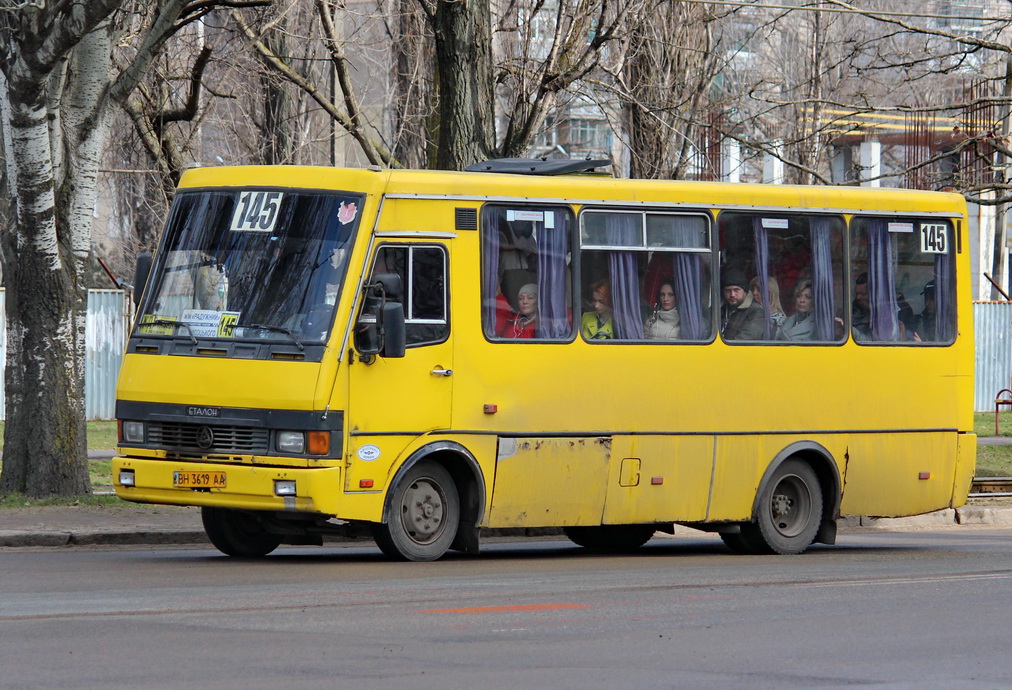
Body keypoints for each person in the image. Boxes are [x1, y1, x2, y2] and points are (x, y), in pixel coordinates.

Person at [720, 268, 765, 341]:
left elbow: (746, 338)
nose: (732, 294)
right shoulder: (721, 309)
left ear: (745, 291)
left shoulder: (757, 311)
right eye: (728, 290)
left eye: (736, 290)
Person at [852, 272, 871, 341]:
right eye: (856, 293)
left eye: (863, 294)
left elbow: (872, 343)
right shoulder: (851, 309)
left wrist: (848, 330)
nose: (858, 297)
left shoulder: (882, 316)